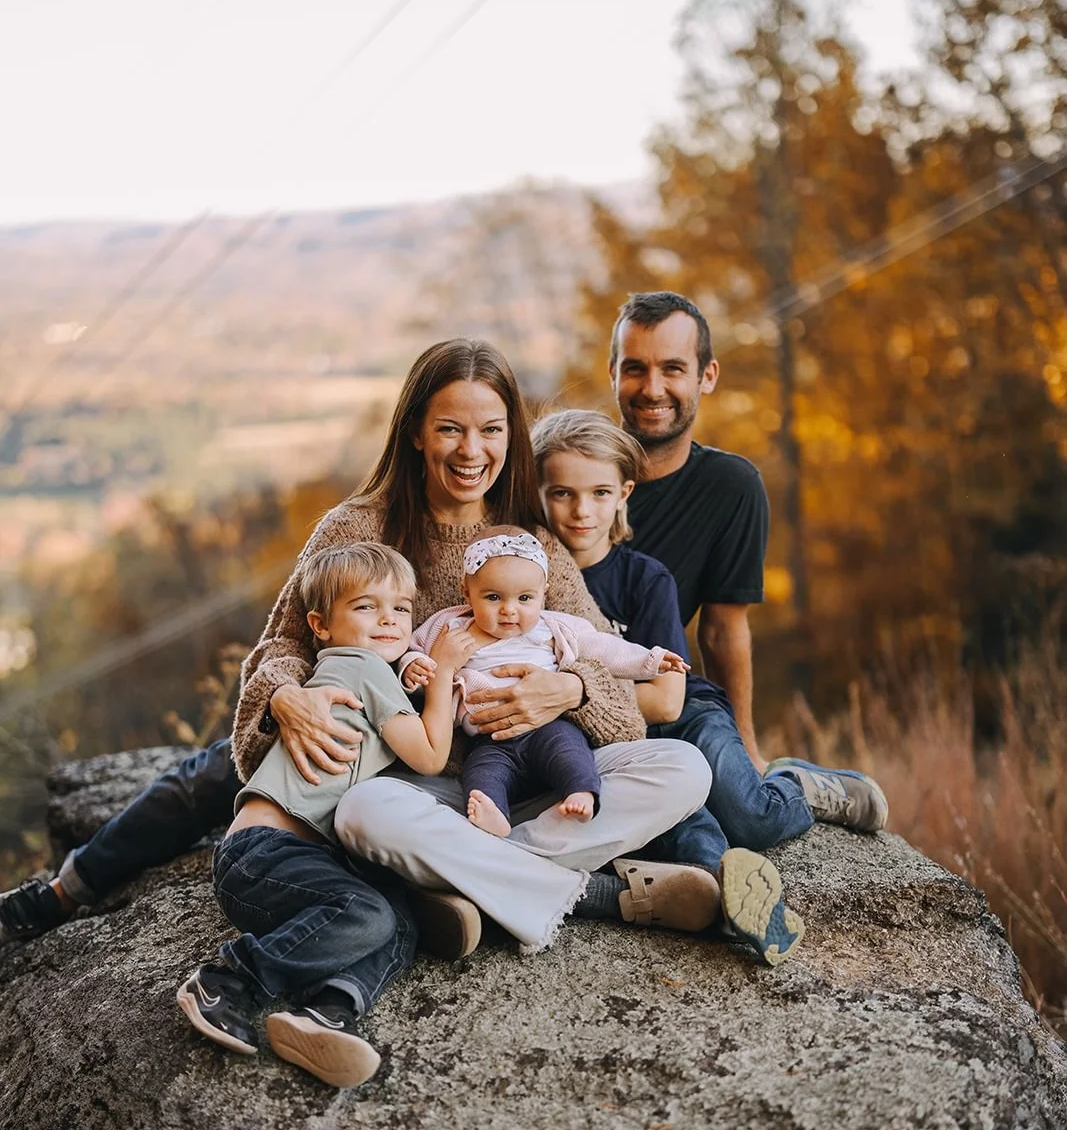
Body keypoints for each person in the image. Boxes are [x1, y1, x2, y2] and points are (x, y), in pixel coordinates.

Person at [2, 339, 716, 960]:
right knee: (236, 776)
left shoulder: (530, 545)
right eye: (449, 429)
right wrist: (286, 698)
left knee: (683, 769)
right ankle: (69, 886)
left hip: (505, 772)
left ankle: (460, 876)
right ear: (413, 432)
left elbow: (614, 676)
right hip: (390, 766)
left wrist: (575, 689)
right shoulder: (357, 525)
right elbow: (279, 644)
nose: (472, 451)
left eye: (492, 430)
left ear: (511, 434)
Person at [178, 541, 477, 1088]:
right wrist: (444, 675)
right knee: (370, 914)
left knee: (398, 919)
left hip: (295, 862)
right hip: (264, 854)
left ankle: (326, 1012)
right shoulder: (362, 668)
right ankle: (230, 980)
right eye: (366, 607)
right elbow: (431, 755)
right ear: (320, 624)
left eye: (402, 609)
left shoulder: (359, 671)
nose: (389, 620)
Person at [606, 290, 889, 834]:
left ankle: (791, 784)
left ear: (706, 375)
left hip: (672, 698)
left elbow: (723, 629)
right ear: (613, 372)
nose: (653, 388)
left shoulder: (730, 487)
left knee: (741, 810)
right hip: (578, 699)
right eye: (635, 368)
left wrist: (748, 751)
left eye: (673, 368)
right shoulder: (571, 476)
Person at [531, 409, 805, 965]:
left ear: (624, 493)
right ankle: (725, 890)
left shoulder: (645, 578)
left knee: (748, 813)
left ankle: (800, 786)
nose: (581, 511)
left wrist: (570, 695)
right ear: (535, 493)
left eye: (599, 492)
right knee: (684, 817)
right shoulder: (524, 581)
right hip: (614, 741)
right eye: (561, 493)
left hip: (685, 714)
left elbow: (664, 699)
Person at [399, 527, 688, 838]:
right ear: (467, 592)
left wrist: (651, 661)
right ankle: (493, 817)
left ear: (543, 593)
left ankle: (580, 791)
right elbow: (413, 650)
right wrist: (412, 667)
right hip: (488, 741)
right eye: (493, 597)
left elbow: (605, 649)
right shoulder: (450, 627)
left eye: (525, 598)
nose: (510, 609)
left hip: (549, 726)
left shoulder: (553, 627)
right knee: (481, 776)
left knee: (570, 752)